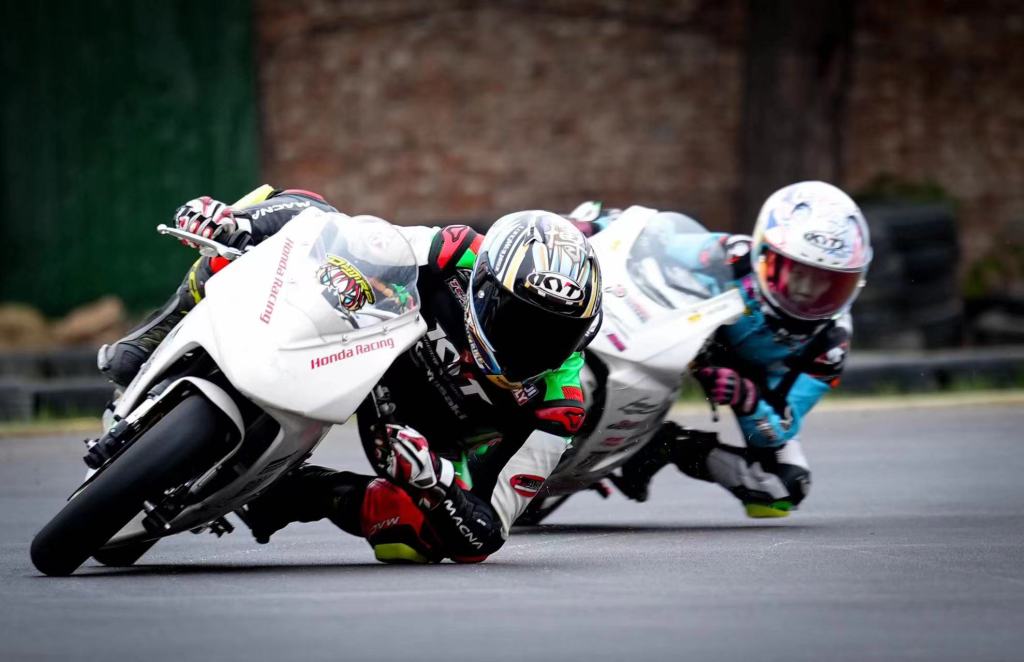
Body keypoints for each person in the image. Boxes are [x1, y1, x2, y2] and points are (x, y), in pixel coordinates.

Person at [100, 187, 602, 562]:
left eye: (555, 336)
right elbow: (364, 237)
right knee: (310, 209)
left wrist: (437, 482)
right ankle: (150, 337)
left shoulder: (561, 405)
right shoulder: (458, 250)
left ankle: (289, 492)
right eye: (519, 322)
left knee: (415, 538)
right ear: (484, 284)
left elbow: (488, 532)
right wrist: (239, 225)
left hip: (417, 440)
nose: (533, 345)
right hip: (376, 345)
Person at [568, 181, 870, 518]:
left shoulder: (830, 346)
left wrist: (746, 397)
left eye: (829, 284)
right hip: (700, 330)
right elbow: (656, 240)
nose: (808, 294)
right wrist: (593, 227)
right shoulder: (734, 255)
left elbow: (780, 428)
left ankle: (667, 445)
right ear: (765, 256)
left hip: (754, 383)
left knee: (784, 489)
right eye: (797, 275)